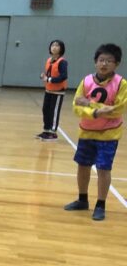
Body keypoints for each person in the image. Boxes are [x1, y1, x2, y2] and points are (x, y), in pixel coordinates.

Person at [64, 43, 125, 222]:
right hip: (87, 131)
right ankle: (82, 199)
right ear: (95, 62)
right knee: (83, 166)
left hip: (109, 134)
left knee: (103, 168)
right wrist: (96, 112)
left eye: (109, 61)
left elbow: (117, 110)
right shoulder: (86, 81)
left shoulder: (121, 84)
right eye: (101, 60)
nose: (104, 64)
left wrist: (90, 104)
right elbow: (76, 106)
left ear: (116, 64)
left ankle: (100, 205)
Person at [38, 39, 68, 140]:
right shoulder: (49, 60)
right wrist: (43, 76)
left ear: (61, 48)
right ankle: (46, 130)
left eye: (57, 45)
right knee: (45, 110)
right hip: (48, 90)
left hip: (58, 91)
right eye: (52, 45)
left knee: (53, 112)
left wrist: (49, 79)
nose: (54, 47)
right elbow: (49, 74)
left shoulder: (62, 62)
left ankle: (53, 133)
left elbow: (63, 76)